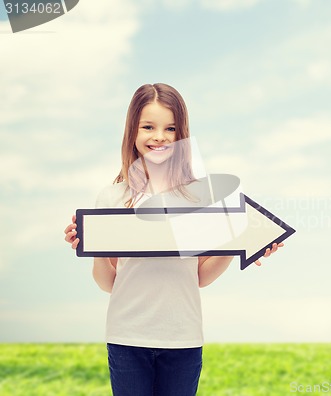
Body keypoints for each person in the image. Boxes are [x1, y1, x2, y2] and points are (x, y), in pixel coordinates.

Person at [63, 83, 283, 396]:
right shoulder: (112, 197)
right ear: (133, 132)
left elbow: (200, 277)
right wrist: (93, 244)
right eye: (148, 127)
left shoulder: (199, 198)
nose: (160, 136)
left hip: (183, 339)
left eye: (170, 128)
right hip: (127, 338)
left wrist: (237, 243)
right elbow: (108, 283)